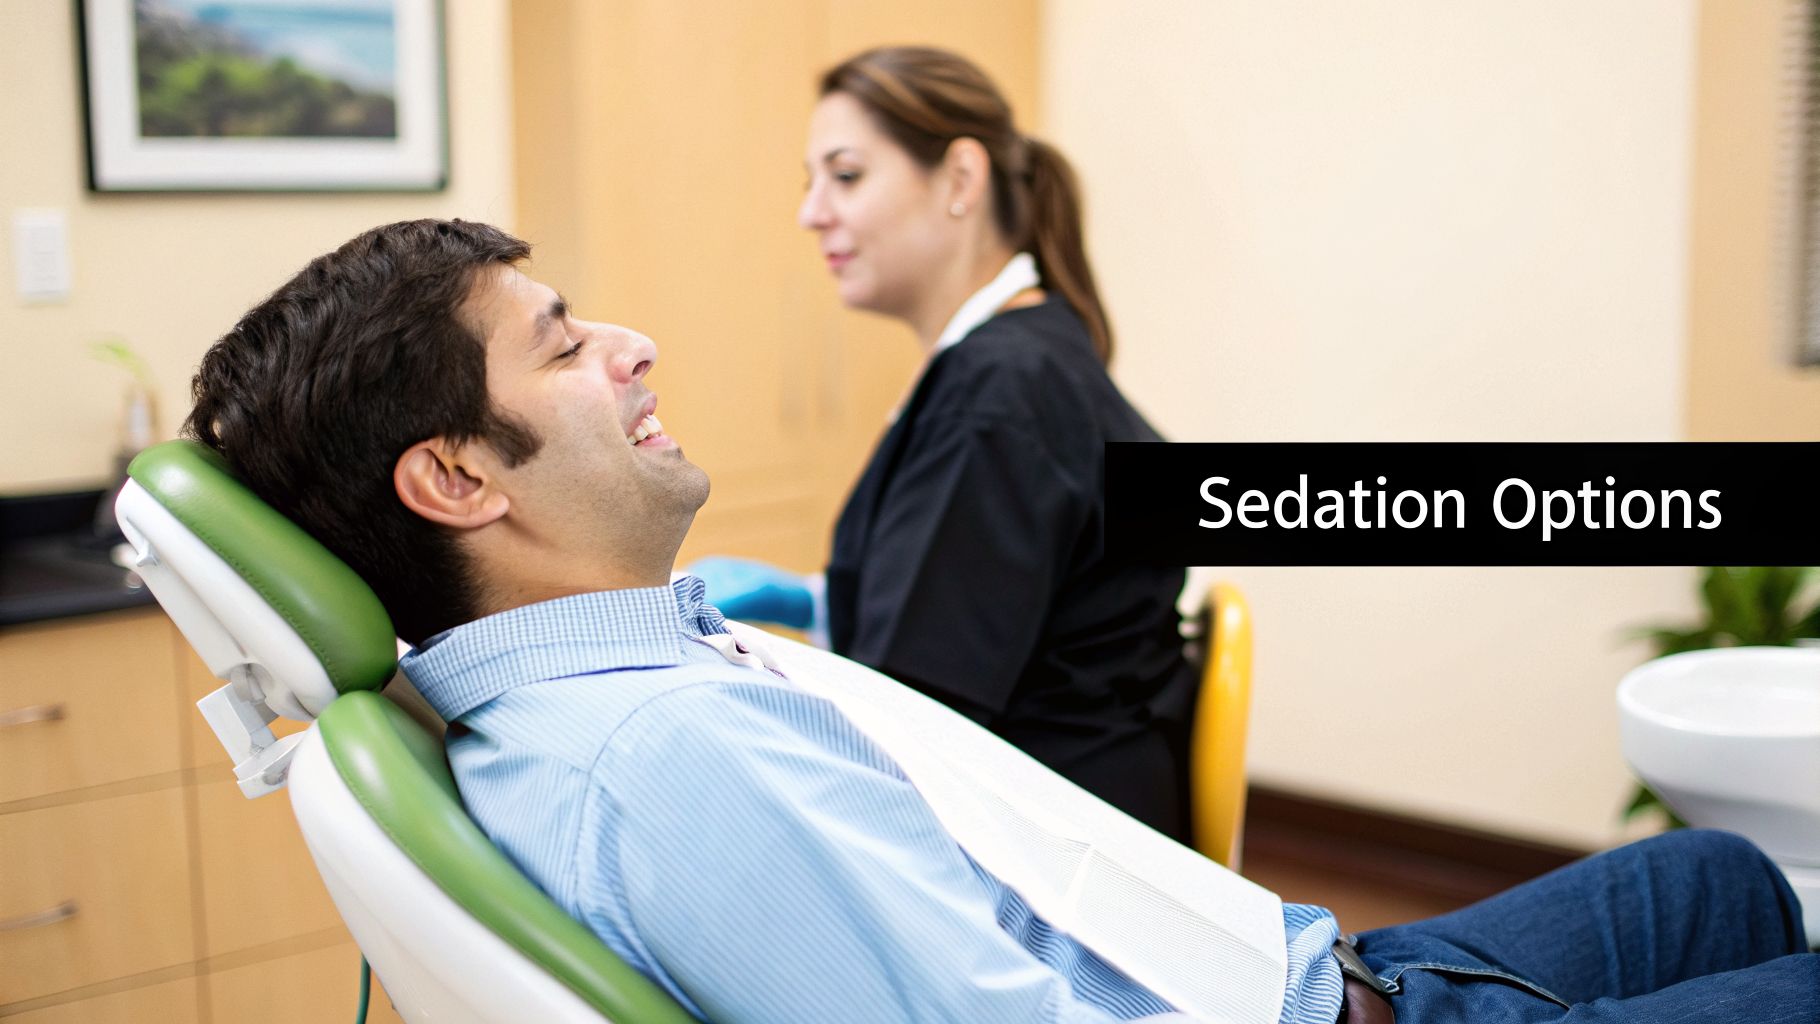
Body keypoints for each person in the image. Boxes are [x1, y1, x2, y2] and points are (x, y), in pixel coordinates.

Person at [186, 219, 1818, 1024]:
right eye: (559, 342)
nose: (628, 339)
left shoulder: (592, 685)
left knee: (1728, 873)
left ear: (957, 192)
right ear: (460, 476)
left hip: (1290, 954)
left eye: (843, 177)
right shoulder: (665, 755)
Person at [690, 46, 1199, 842]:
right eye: (809, 182)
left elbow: (912, 718)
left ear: (961, 180)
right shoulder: (1019, 355)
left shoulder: (999, 393)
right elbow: (994, 607)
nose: (811, 212)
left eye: (847, 176)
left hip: (1057, 849)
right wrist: (822, 603)